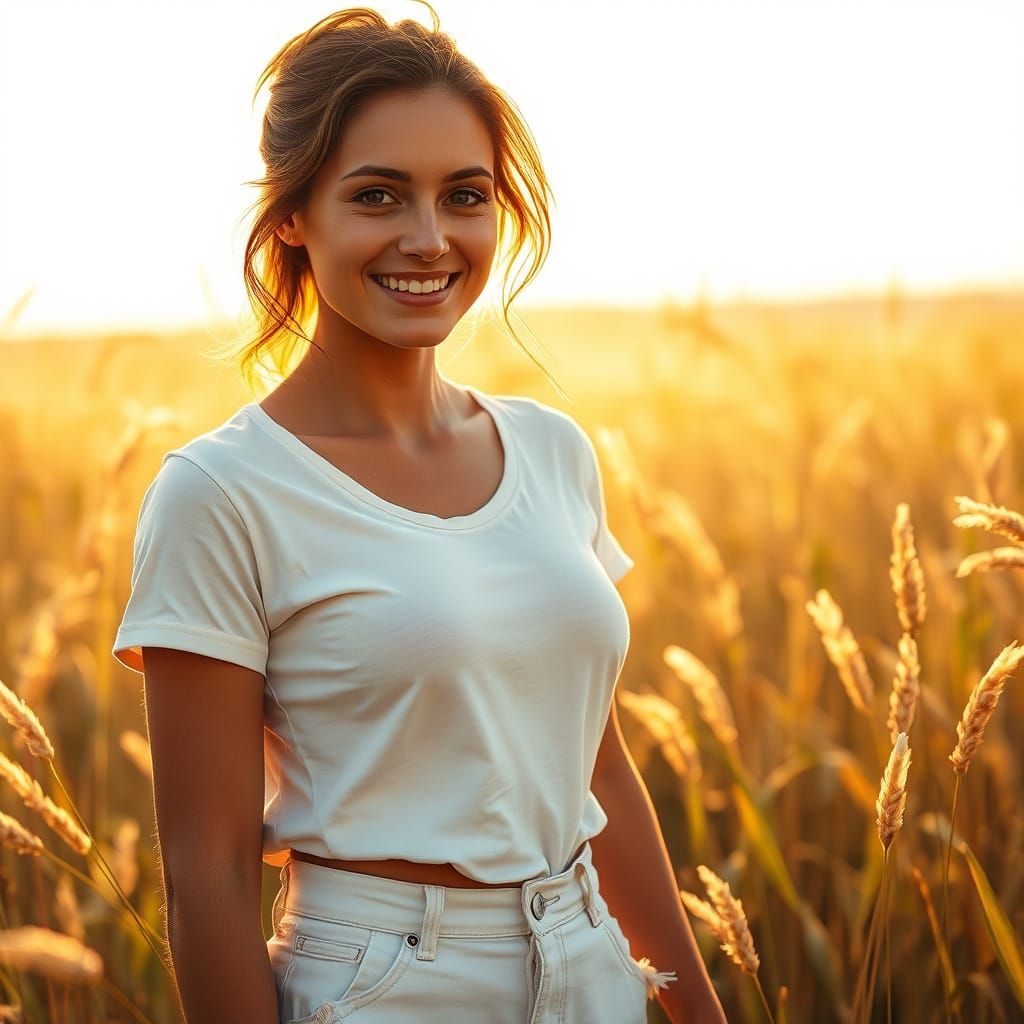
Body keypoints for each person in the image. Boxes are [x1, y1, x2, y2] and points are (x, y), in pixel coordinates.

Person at [111, 5, 727, 1023]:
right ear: (294, 214)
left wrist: (700, 1010)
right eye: (378, 195)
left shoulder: (551, 449)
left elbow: (594, 765)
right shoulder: (220, 493)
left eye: (465, 196)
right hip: (386, 982)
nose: (429, 239)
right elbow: (207, 873)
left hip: (589, 961)